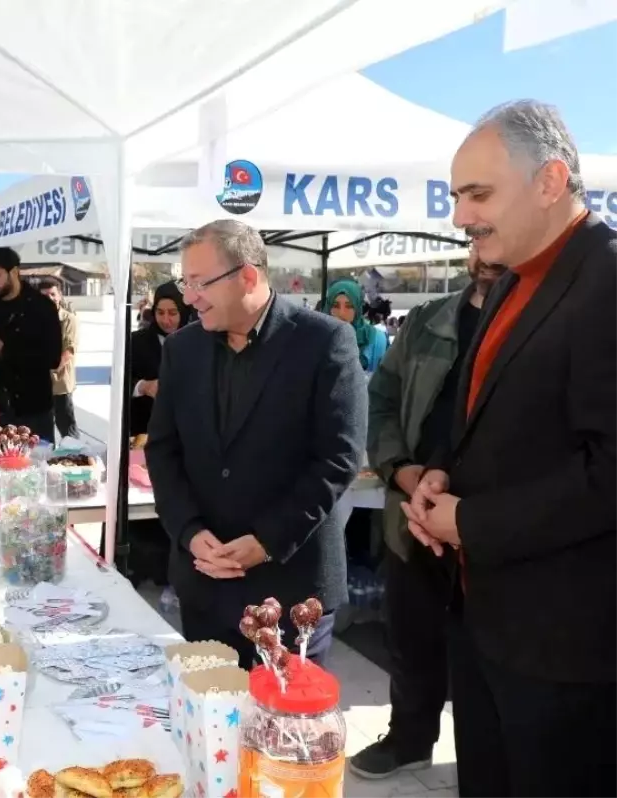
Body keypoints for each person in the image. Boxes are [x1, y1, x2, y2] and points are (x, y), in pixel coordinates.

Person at [402, 100, 617, 797]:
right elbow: (481, 419)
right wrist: (437, 474)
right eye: (458, 195)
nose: (461, 215)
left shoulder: (607, 283)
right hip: (483, 621)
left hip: (567, 650)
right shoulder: (511, 281)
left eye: (478, 194)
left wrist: (470, 523)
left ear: (551, 180)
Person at [145, 220, 366, 670]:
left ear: (248, 276)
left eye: (199, 283)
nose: (189, 297)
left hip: (289, 590)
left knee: (281, 735)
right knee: (210, 724)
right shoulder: (182, 350)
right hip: (204, 583)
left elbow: (337, 460)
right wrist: (188, 532)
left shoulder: (324, 342)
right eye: (186, 283)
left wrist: (267, 540)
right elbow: (163, 451)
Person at [350, 245, 506, 780]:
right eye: (476, 238)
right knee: (412, 634)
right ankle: (409, 738)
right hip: (413, 510)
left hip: (493, 521)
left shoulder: (541, 322)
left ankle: (487, 757)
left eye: (495, 234)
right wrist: (401, 470)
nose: (486, 252)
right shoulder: (428, 320)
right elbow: (382, 399)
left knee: (488, 651)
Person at [0, 246, 62, 442]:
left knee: (37, 467)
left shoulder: (42, 307)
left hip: (35, 409)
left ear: (14, 272)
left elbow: (53, 358)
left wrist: (5, 350)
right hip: (0, 409)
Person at [129, 281, 189, 438]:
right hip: (145, 431)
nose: (166, 320)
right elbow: (119, 382)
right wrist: (143, 386)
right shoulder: (136, 341)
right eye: (160, 312)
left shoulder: (200, 341)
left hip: (189, 432)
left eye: (173, 313)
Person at [39, 276, 80, 441]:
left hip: (60, 385)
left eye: (52, 294)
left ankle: (74, 460)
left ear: (59, 296)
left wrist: (51, 369)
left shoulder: (69, 320)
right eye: (44, 296)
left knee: (68, 431)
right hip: (39, 387)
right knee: (42, 432)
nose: (49, 299)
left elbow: (69, 351)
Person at [324, 278, 388, 372]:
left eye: (349, 306)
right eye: (335, 306)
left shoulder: (376, 339)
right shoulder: (318, 339)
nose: (341, 313)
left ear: (357, 308)